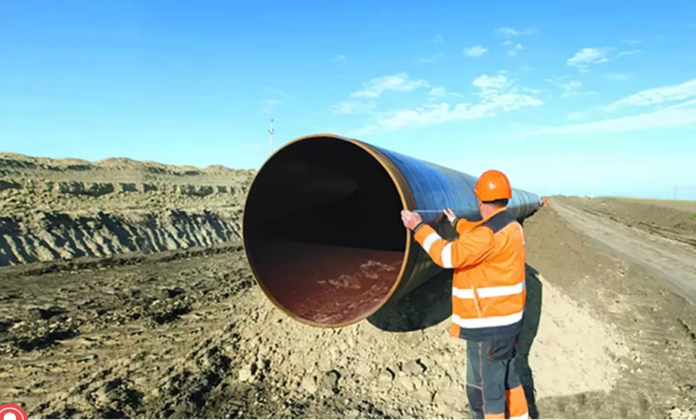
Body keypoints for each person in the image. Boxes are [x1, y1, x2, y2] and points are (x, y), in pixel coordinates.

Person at [400, 169, 529, 420]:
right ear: (506, 198)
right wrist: (456, 222)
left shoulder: (485, 235)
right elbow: (480, 233)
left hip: (488, 326)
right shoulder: (510, 225)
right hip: (508, 322)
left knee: (486, 391)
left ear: (479, 200)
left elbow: (446, 256)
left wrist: (418, 228)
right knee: (508, 376)